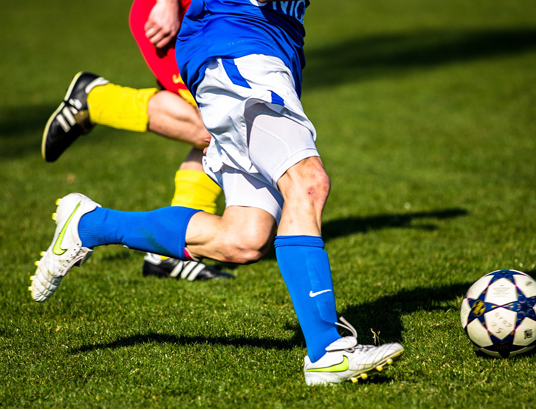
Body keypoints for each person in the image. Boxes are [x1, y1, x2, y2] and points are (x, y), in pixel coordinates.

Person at [30, 0, 404, 386]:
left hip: (269, 52)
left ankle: (89, 225)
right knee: (307, 182)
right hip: (238, 45)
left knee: (244, 239)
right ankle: (327, 351)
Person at [41, 0, 231, 281]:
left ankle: (169, 254)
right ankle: (96, 100)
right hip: (176, 14)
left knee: (225, 126)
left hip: (215, 19)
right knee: (221, 128)